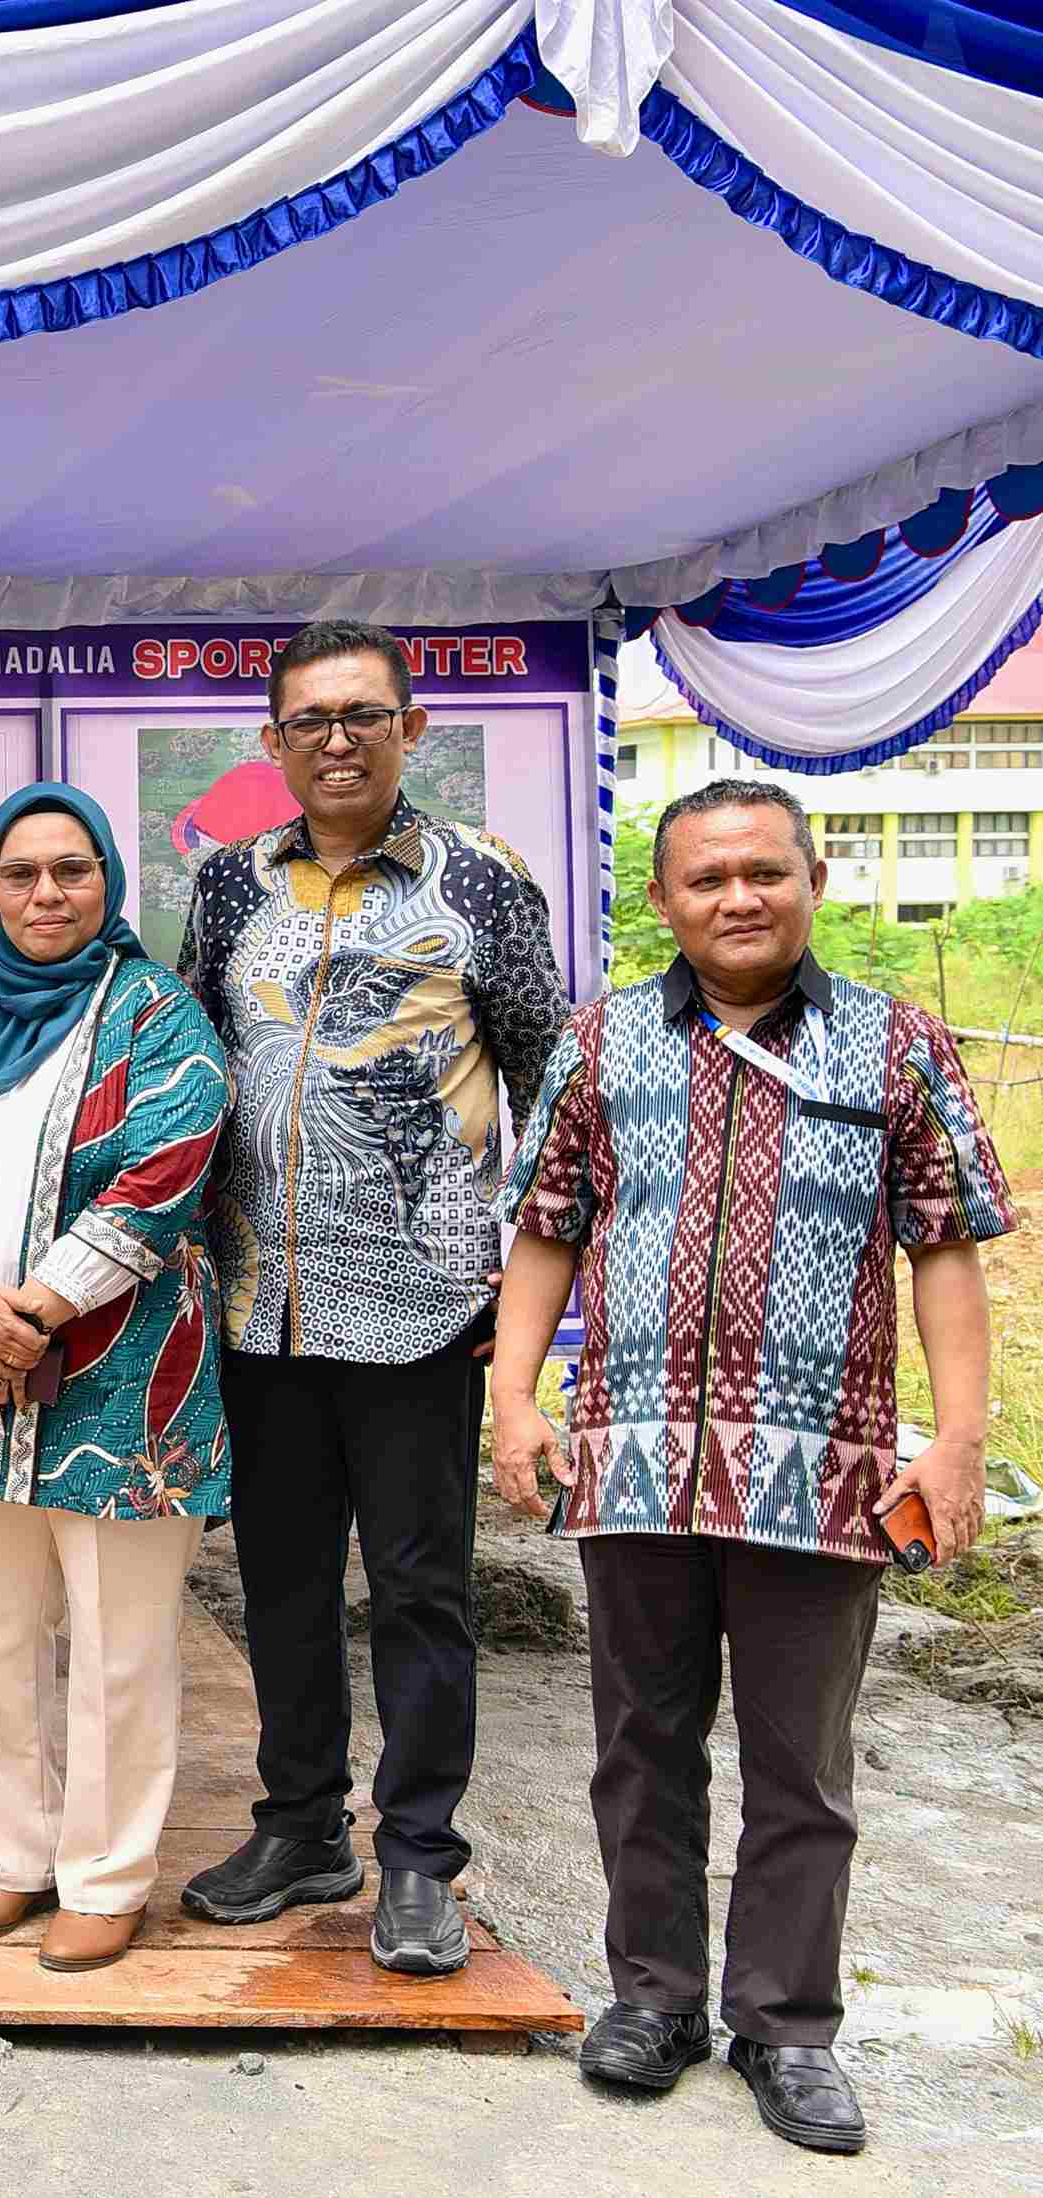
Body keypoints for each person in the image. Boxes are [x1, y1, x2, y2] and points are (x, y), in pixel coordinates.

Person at [491, 779, 1010, 2156]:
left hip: (820, 1471)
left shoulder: (891, 1046)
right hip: (636, 1454)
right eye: (704, 876)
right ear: (659, 899)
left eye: (760, 871)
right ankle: (649, 1998)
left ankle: (784, 2023)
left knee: (802, 1761)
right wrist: (510, 1393)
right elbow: (544, 1227)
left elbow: (944, 1248)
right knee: (638, 1743)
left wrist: (957, 1439)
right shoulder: (598, 1046)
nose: (735, 896)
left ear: (811, 879)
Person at [174, 619, 564, 1977]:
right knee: (277, 1580)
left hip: (418, 1304)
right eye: (307, 720)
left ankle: (414, 1858)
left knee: (416, 1592)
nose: (334, 739)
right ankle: (299, 1826)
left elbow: (548, 1085)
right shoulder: (228, 887)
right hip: (257, 1303)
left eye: (361, 715)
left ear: (409, 730)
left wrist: (526, 1298)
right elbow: (188, 1068)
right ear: (272, 743)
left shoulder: (482, 883)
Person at [0, 785, 232, 1973]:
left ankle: (105, 1870)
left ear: (107, 884)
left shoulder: (158, 1014)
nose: (45, 894)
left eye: (70, 871)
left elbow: (166, 1168)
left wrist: (30, 1310)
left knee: (120, 1641)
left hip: (125, 1379)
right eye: (20, 874)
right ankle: (14, 1856)